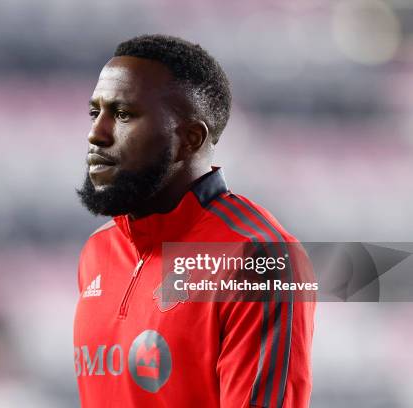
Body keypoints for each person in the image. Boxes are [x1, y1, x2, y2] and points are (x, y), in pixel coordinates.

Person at [74, 34, 314, 407]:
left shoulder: (256, 258)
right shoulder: (97, 251)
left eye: (123, 115)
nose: (96, 134)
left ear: (189, 139)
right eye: (95, 113)